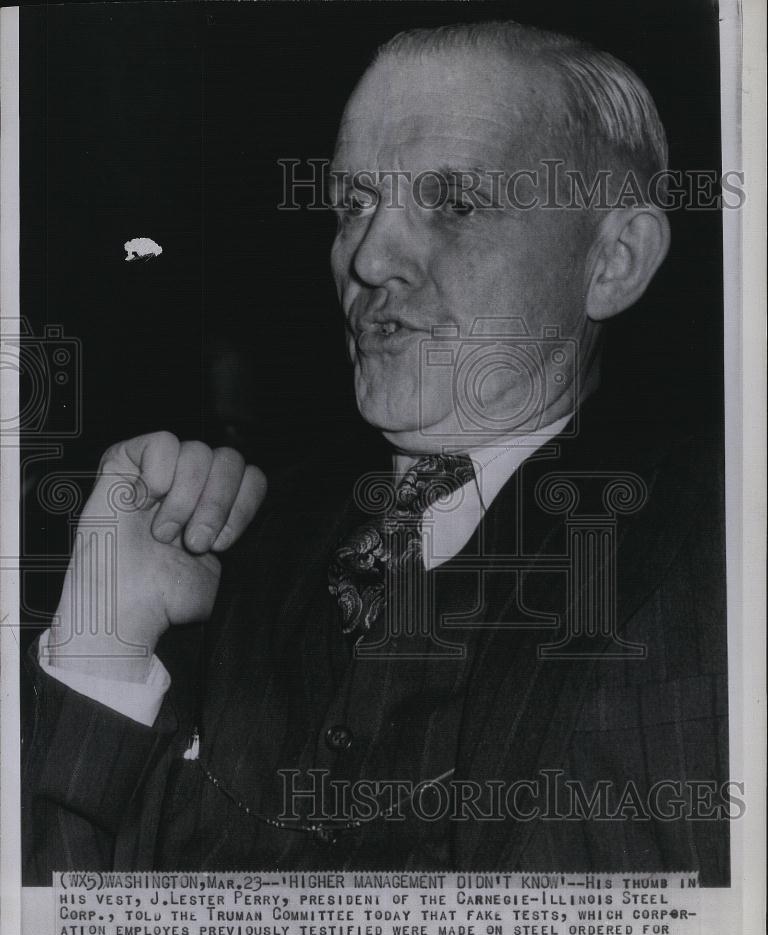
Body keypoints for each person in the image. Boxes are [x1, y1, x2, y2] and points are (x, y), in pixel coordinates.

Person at [22, 20, 729, 885]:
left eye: (455, 203)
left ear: (614, 260)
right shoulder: (226, 547)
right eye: (354, 204)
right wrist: (107, 645)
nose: (370, 255)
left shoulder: (722, 543)